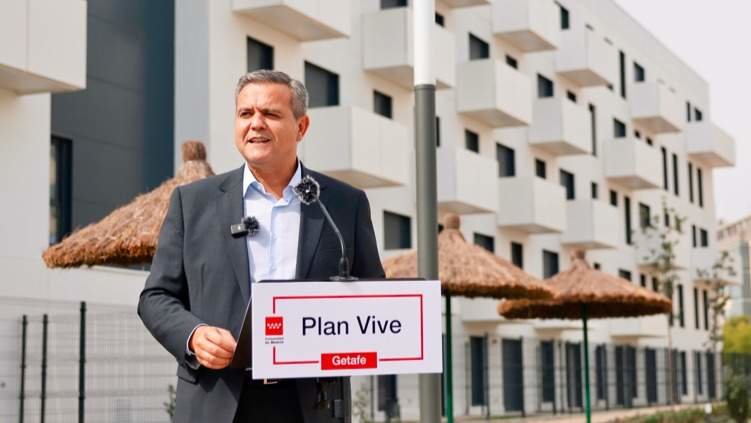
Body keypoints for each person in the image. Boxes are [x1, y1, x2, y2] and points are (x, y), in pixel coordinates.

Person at [138, 69, 385, 422]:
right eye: (245, 114)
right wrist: (193, 335)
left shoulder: (344, 204)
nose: (256, 124)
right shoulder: (192, 203)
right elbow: (155, 297)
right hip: (217, 400)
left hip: (312, 404)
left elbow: (373, 294)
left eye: (270, 114)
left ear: (301, 127)